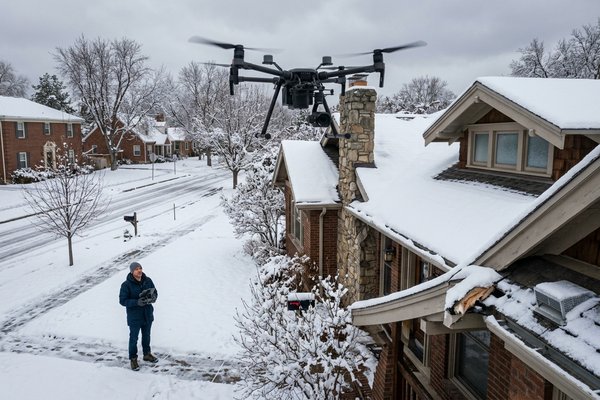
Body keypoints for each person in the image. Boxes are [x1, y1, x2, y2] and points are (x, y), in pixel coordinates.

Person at [119, 261, 158, 371]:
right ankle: (133, 359)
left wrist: (153, 298)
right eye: (136, 269)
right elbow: (122, 301)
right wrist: (137, 302)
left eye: (140, 268)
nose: (139, 270)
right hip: (134, 317)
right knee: (133, 338)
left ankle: (147, 354)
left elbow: (155, 292)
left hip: (147, 314)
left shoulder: (148, 280)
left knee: (147, 336)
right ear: (132, 271)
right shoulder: (126, 285)